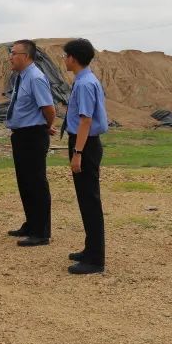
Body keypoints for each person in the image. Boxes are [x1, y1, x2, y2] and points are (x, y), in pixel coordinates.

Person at [62, 38, 109, 275]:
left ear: (73, 58)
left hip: (86, 144)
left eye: (65, 56)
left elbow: (86, 120)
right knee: (86, 199)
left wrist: (77, 152)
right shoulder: (86, 80)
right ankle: (90, 248)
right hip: (86, 143)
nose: (64, 60)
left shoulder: (84, 84)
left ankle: (95, 259)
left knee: (90, 200)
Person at [4, 40, 57, 247]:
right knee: (25, 182)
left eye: (14, 53)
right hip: (21, 135)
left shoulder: (35, 78)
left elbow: (49, 109)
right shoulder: (21, 78)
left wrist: (45, 126)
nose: (10, 56)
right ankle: (31, 223)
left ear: (25, 56)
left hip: (33, 136)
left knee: (36, 183)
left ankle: (41, 232)